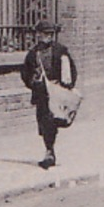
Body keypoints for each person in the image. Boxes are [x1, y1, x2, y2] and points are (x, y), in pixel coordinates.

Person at [20, 19, 77, 169]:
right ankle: (49, 149)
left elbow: (71, 71)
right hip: (41, 94)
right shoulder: (33, 54)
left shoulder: (60, 51)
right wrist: (33, 83)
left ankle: (49, 151)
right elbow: (25, 73)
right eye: (45, 33)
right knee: (44, 122)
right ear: (38, 34)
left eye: (51, 34)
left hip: (57, 92)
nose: (48, 37)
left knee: (52, 121)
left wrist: (67, 86)